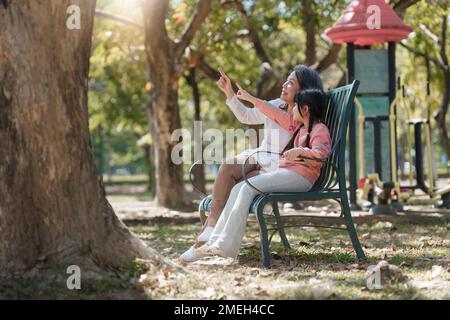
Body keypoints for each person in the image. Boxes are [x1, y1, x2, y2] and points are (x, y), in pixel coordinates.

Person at [179, 65, 324, 262]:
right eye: (286, 80)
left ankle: (207, 245)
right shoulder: (277, 105)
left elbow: (306, 142)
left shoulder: (299, 118)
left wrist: (252, 99)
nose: (284, 84)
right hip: (261, 156)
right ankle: (210, 230)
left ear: (303, 91)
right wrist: (230, 93)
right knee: (228, 167)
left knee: (240, 187)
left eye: (291, 82)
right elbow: (247, 116)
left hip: (278, 166)